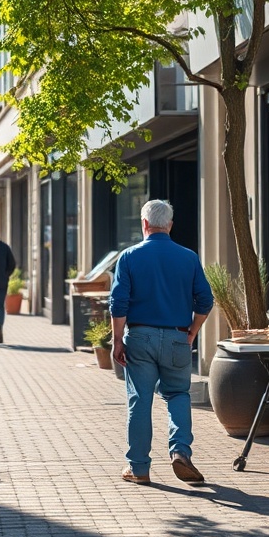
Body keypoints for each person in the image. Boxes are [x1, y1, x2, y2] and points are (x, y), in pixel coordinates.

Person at [109, 199, 214, 485]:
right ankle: (180, 451)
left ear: (144, 224)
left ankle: (139, 468)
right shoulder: (189, 257)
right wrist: (192, 331)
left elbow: (118, 304)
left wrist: (117, 340)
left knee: (139, 401)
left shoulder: (129, 257)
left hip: (139, 337)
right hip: (177, 337)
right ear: (169, 225)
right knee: (178, 395)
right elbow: (205, 299)